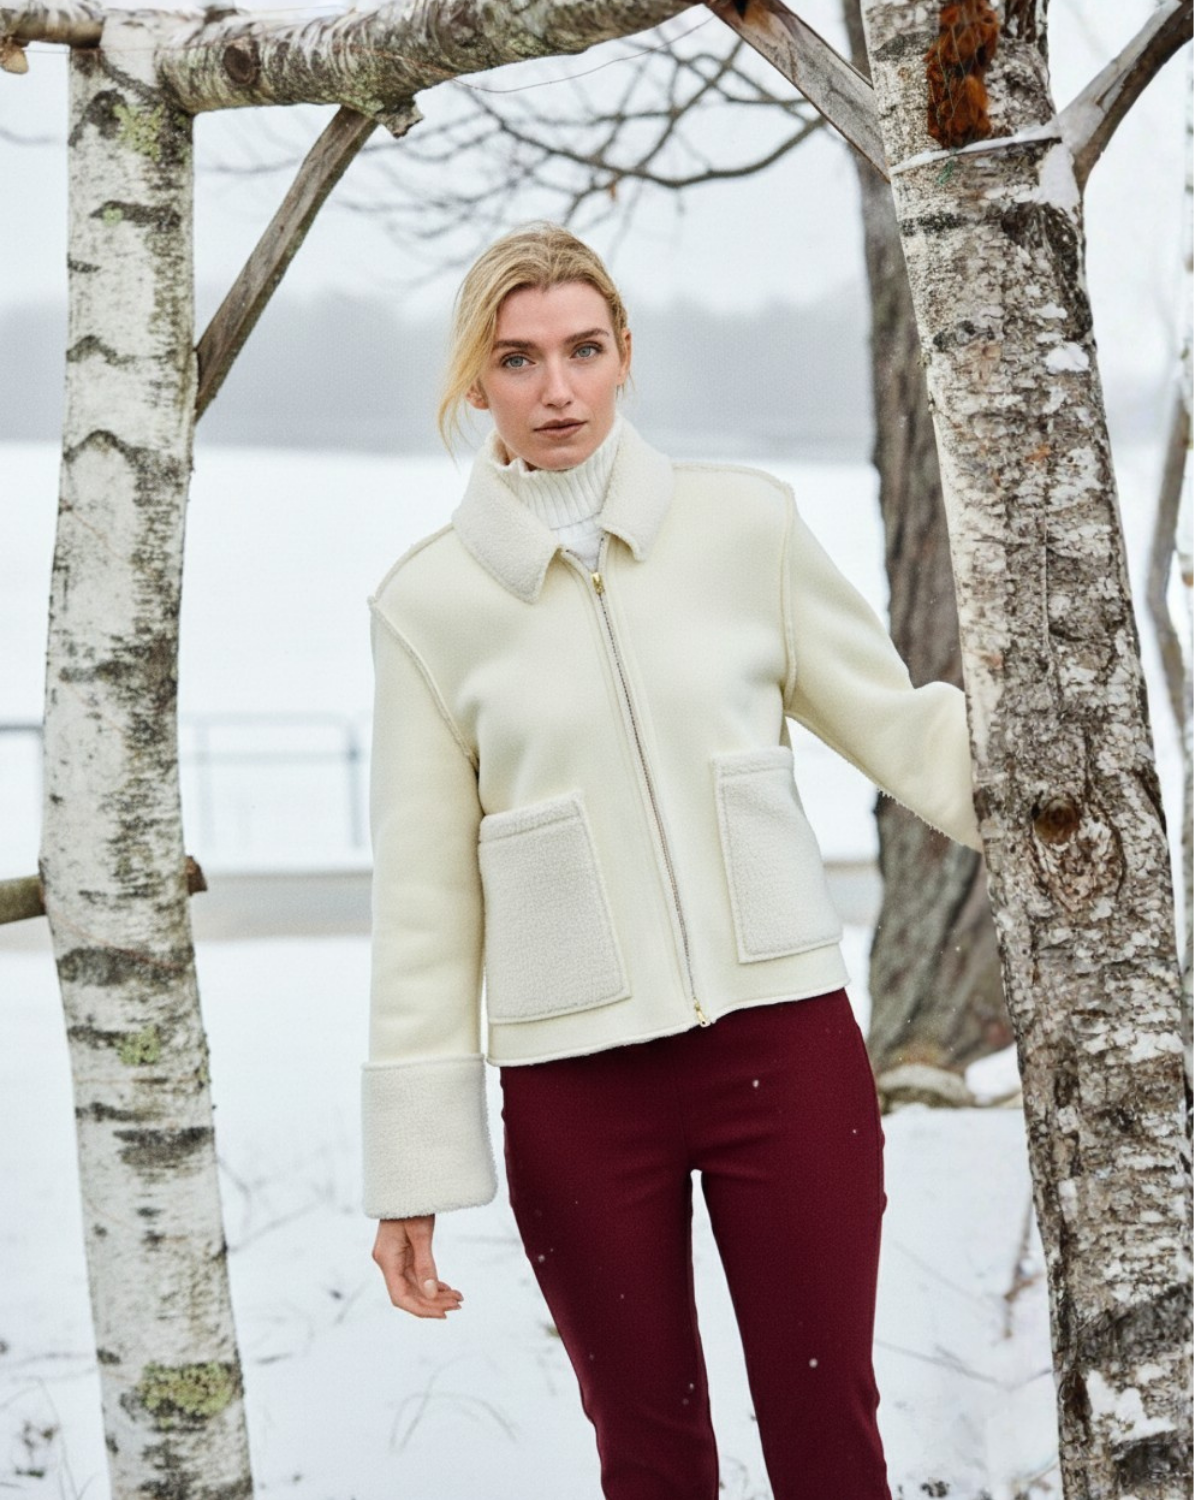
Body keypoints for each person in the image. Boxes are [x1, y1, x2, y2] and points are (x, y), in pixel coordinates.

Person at [362, 221, 983, 1499]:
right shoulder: (428, 607)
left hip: (783, 1055)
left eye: (584, 350)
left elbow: (902, 727)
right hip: (578, 1096)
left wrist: (1061, 788)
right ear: (476, 382)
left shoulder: (744, 529)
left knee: (828, 1438)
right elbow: (424, 906)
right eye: (519, 359)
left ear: (625, 355)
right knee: (648, 1459)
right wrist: (412, 1172)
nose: (558, 389)